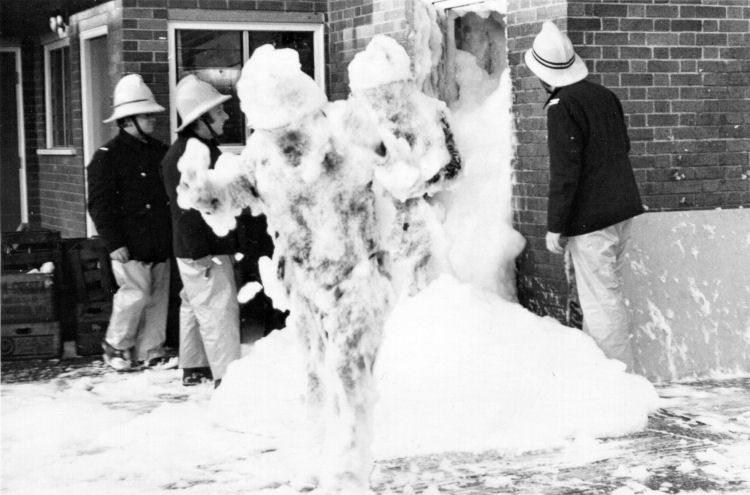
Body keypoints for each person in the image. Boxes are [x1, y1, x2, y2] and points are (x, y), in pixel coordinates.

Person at [524, 21, 644, 371]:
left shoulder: (561, 107)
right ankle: (607, 375)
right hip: (622, 210)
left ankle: (619, 383)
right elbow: (623, 146)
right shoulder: (605, 95)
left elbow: (565, 173)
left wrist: (555, 226)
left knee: (600, 302)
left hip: (591, 220)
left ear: (542, 75)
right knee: (607, 294)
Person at [87, 74, 175, 371]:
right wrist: (114, 243)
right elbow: (100, 205)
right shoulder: (106, 158)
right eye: (146, 115)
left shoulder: (159, 152)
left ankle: (152, 349)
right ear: (128, 120)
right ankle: (117, 345)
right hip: (130, 242)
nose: (153, 120)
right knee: (134, 296)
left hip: (159, 239)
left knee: (157, 299)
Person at [161, 74, 240, 388]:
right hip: (203, 248)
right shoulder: (189, 156)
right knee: (218, 308)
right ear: (201, 119)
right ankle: (227, 376)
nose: (226, 116)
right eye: (218, 112)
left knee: (195, 304)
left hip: (194, 248)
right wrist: (201, 253)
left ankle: (194, 365)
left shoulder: (195, 149)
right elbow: (186, 212)